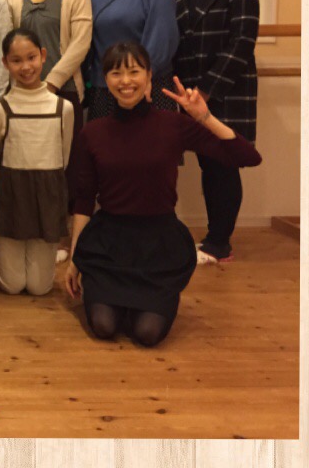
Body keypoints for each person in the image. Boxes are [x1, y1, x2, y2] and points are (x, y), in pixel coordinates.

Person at [65, 42, 262, 347]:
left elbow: (247, 157)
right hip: (108, 246)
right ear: (106, 79)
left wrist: (204, 116)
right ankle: (115, 297)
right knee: (104, 326)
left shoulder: (173, 124)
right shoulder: (93, 132)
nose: (125, 81)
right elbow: (83, 201)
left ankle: (142, 301)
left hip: (158, 247)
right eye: (116, 73)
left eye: (134, 71)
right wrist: (75, 260)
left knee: (147, 333)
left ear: (149, 76)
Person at [172, 0, 261, 264]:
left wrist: (207, 91)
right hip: (191, 94)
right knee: (207, 165)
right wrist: (185, 94)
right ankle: (214, 239)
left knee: (223, 165)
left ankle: (219, 243)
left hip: (226, 91)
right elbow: (176, 46)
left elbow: (242, 42)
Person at [0, 29, 76, 295]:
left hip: (46, 196)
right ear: (5, 63)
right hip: (10, 198)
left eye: (31, 57)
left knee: (40, 288)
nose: (25, 67)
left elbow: (63, 158)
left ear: (43, 55)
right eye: (16, 60)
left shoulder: (63, 108)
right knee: (12, 286)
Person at [4, 0, 93, 131]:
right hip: (22, 92)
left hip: (65, 90)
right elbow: (8, 47)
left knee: (67, 150)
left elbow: (80, 44)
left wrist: (51, 84)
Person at [85, 0, 177, 120]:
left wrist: (145, 76)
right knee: (105, 139)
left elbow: (162, 36)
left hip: (149, 84)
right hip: (104, 88)